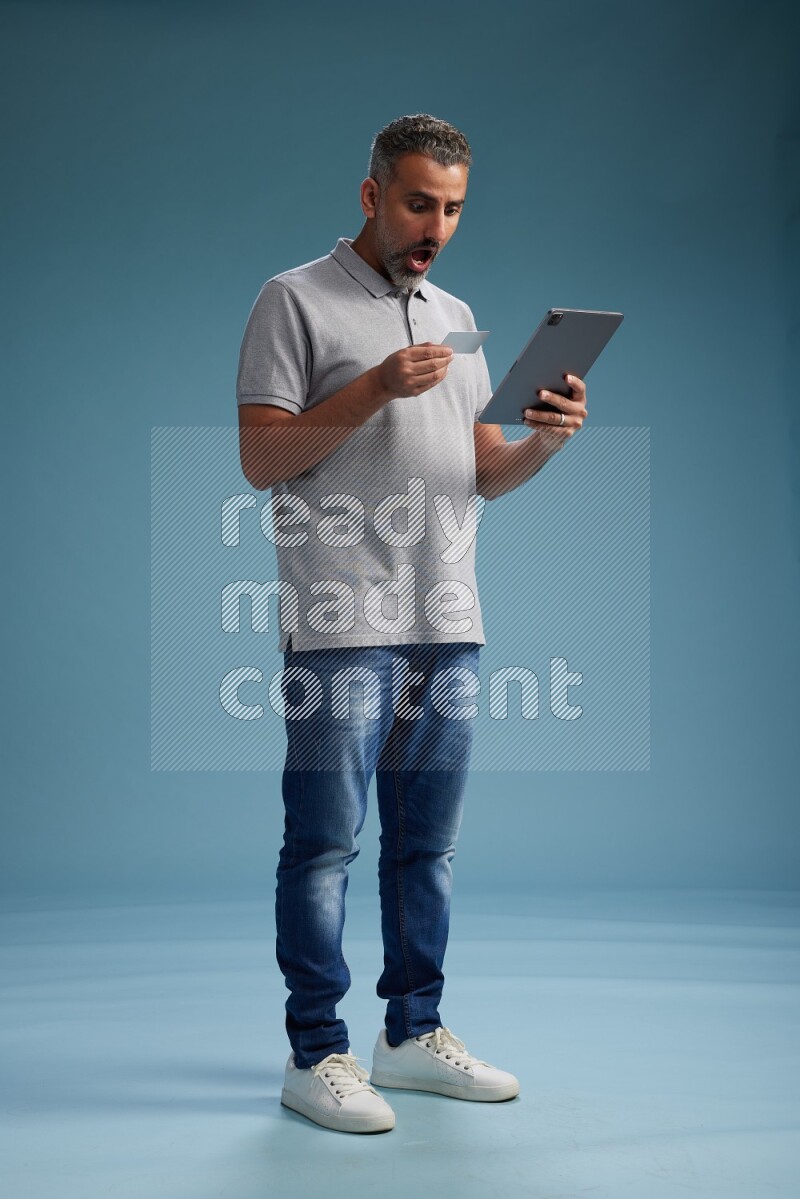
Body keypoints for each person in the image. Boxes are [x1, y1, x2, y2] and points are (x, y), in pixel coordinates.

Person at [236, 113, 588, 1134]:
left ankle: (408, 1032)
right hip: (340, 619)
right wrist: (374, 386)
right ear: (369, 195)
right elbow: (262, 459)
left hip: (448, 617)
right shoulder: (291, 299)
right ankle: (316, 1052)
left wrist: (545, 442)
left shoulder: (454, 311)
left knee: (424, 849)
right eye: (417, 201)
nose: (434, 224)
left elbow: (480, 471)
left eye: (452, 207)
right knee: (323, 846)